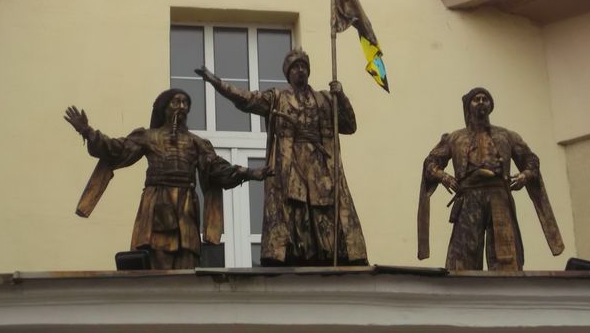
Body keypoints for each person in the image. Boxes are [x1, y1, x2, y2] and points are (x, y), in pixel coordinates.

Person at [194, 48, 368, 266]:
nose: (300, 70)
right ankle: (298, 252)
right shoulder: (277, 98)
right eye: (295, 67)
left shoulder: (325, 99)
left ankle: (328, 251)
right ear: (288, 74)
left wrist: (340, 96)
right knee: (295, 208)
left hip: (321, 166)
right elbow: (246, 99)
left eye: (303, 66)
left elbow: (349, 126)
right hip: (292, 164)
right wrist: (217, 83)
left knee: (323, 207)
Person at [64, 89, 270, 270]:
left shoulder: (197, 143)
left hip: (186, 207)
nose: (182, 106)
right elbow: (116, 150)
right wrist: (87, 131)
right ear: (164, 108)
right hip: (156, 204)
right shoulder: (148, 136)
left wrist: (248, 173)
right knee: (157, 254)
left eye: (186, 103)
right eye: (176, 102)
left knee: (187, 257)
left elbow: (217, 168)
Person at [418, 87, 563, 271]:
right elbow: (431, 162)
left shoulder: (507, 136)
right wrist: (443, 176)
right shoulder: (455, 138)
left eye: (485, 99)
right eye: (476, 99)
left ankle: (507, 288)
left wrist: (524, 175)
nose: (481, 102)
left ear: (491, 105)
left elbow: (531, 160)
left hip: (499, 198)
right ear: (468, 105)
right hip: (468, 199)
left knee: (506, 258)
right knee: (463, 260)